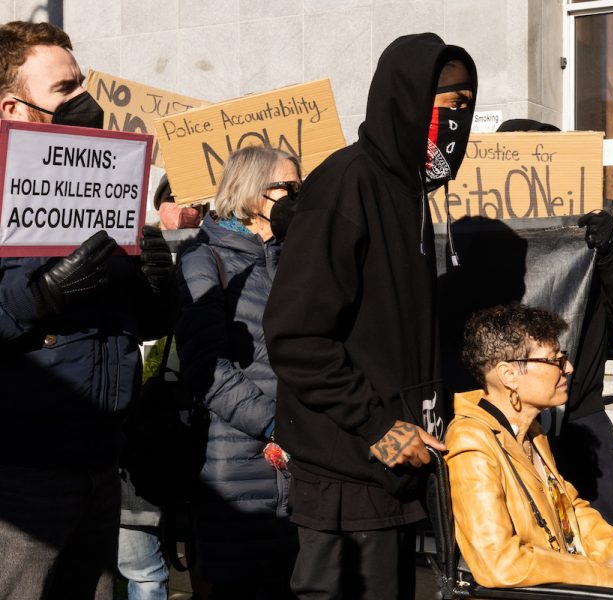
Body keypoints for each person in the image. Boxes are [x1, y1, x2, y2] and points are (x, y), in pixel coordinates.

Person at [262, 33, 477, 600]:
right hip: (346, 468)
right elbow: (296, 337)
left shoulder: (409, 196)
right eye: (449, 104)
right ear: (406, 99)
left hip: (393, 472)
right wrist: (381, 430)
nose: (460, 120)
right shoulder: (347, 184)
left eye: (467, 107)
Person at [0, 21, 175, 599]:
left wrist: (155, 285)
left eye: (83, 84)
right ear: (15, 108)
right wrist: (40, 294)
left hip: (101, 459)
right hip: (21, 471)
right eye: (64, 90)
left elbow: (138, 324)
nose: (87, 104)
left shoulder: (105, 184)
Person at [496, 118, 613, 531]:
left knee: (600, 549)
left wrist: (607, 251)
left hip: (579, 421)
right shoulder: (484, 240)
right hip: (501, 425)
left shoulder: (590, 236)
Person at [446, 303, 613, 589]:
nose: (568, 368)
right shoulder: (471, 441)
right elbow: (499, 563)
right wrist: (605, 574)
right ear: (509, 376)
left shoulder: (531, 431)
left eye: (563, 358)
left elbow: (569, 508)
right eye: (554, 360)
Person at [176, 145, 301, 599]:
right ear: (251, 193)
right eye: (286, 188)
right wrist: (273, 423)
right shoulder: (205, 260)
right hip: (236, 462)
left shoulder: (297, 258)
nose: (296, 196)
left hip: (300, 461)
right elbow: (207, 368)